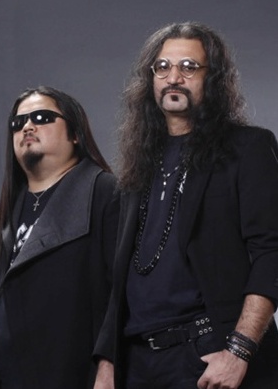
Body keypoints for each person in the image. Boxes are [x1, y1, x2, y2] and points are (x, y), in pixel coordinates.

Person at [94, 22, 278, 389]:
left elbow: (271, 253)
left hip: (209, 355)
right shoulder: (138, 165)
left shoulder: (248, 148)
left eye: (189, 67)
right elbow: (119, 281)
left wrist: (239, 350)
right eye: (162, 67)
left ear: (213, 78)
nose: (173, 78)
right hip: (137, 363)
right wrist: (107, 362)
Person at [0, 86, 119, 388]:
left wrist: (108, 366)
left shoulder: (104, 192)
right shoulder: (6, 211)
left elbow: (120, 294)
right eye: (18, 123)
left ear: (75, 134)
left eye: (42, 117)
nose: (27, 127)